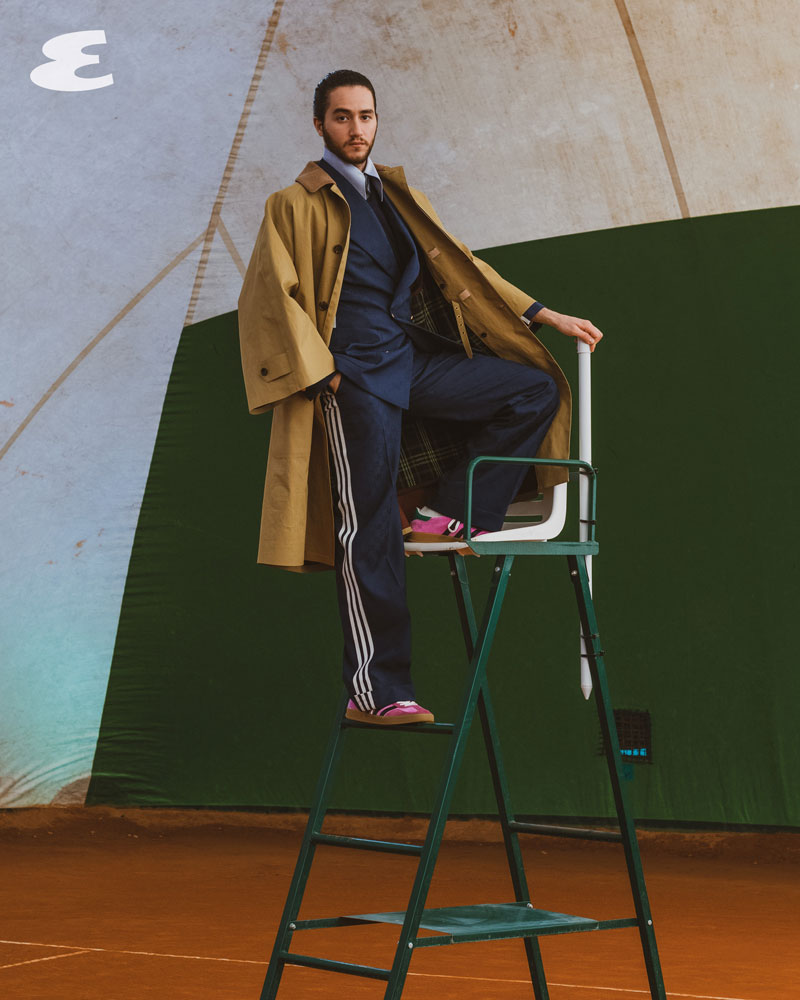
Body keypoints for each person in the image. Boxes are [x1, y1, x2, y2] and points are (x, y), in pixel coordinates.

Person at [238, 69, 602, 727]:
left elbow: (464, 265)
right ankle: (378, 692)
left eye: (366, 116)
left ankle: (450, 511)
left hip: (410, 362)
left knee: (533, 390)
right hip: (352, 378)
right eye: (342, 117)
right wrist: (325, 378)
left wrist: (543, 313)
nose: (356, 128)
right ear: (319, 124)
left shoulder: (397, 195)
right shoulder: (291, 204)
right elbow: (270, 298)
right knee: (369, 526)